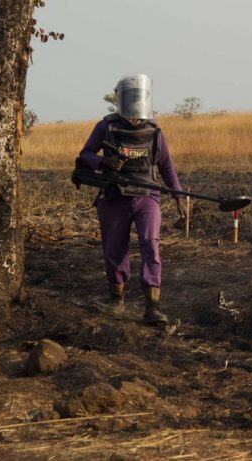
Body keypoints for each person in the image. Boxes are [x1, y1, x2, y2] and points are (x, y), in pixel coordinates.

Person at [76, 74, 187, 325]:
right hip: (115, 196)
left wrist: (179, 197)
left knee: (150, 243)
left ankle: (153, 305)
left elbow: (167, 167)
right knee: (115, 248)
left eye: (139, 97)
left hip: (147, 194)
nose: (135, 102)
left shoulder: (154, 130)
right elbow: (85, 154)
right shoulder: (106, 126)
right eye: (131, 97)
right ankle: (117, 299)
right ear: (122, 98)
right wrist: (103, 161)